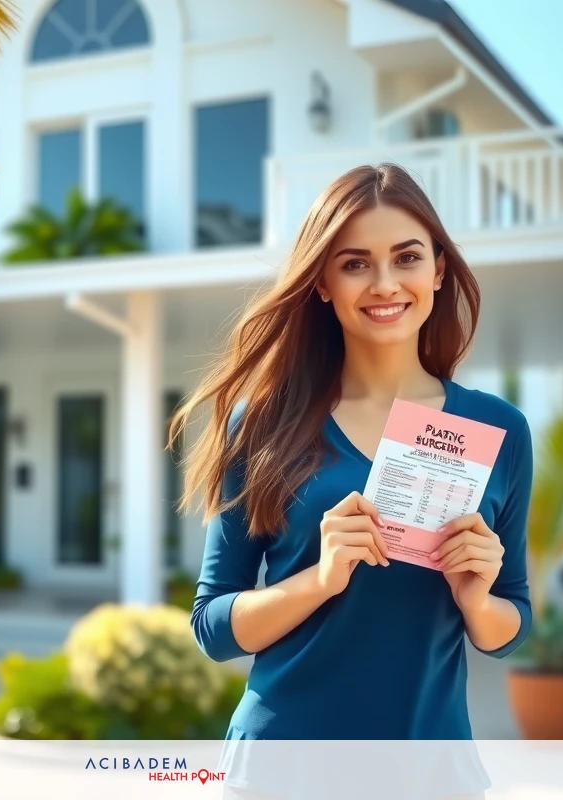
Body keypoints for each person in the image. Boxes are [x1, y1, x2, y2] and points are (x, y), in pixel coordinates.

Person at [170, 163, 534, 747]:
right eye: (355, 264)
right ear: (322, 283)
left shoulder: (499, 428)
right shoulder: (263, 421)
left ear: (439, 270)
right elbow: (212, 629)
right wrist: (321, 578)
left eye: (408, 257)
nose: (385, 283)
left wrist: (476, 598)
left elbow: (511, 626)